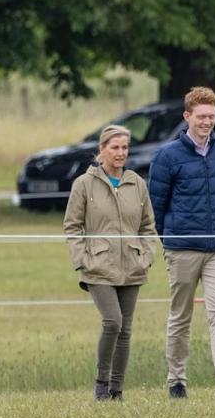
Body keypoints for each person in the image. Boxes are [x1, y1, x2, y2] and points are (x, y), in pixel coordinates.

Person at [148, 86, 215, 399]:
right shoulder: (167, 156)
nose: (207, 122)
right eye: (201, 116)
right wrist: (169, 239)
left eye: (211, 116)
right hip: (182, 248)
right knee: (180, 316)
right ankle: (176, 381)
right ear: (187, 117)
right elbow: (156, 204)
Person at [64, 125, 157, 401]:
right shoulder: (83, 184)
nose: (120, 153)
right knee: (112, 322)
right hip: (98, 268)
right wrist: (82, 260)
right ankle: (101, 383)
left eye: (125, 148)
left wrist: (146, 256)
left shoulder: (137, 184)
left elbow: (148, 227)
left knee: (126, 329)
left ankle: (116, 390)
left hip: (132, 266)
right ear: (102, 149)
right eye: (115, 147)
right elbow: (72, 227)